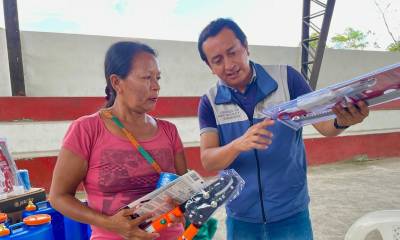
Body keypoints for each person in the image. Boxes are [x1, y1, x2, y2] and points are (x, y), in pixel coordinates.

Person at [197, 18, 369, 240]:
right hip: (241, 217)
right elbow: (209, 160)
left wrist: (343, 120)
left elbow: (325, 126)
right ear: (210, 67)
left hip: (291, 213)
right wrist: (238, 144)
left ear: (246, 47)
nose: (229, 64)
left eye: (233, 52)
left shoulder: (287, 79)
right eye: (217, 60)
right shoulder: (209, 102)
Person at [50, 41, 187, 240]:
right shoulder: (86, 130)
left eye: (158, 78)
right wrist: (110, 224)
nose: (156, 86)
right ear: (116, 82)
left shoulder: (169, 132)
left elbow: (184, 190)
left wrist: (183, 209)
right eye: (147, 78)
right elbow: (59, 197)